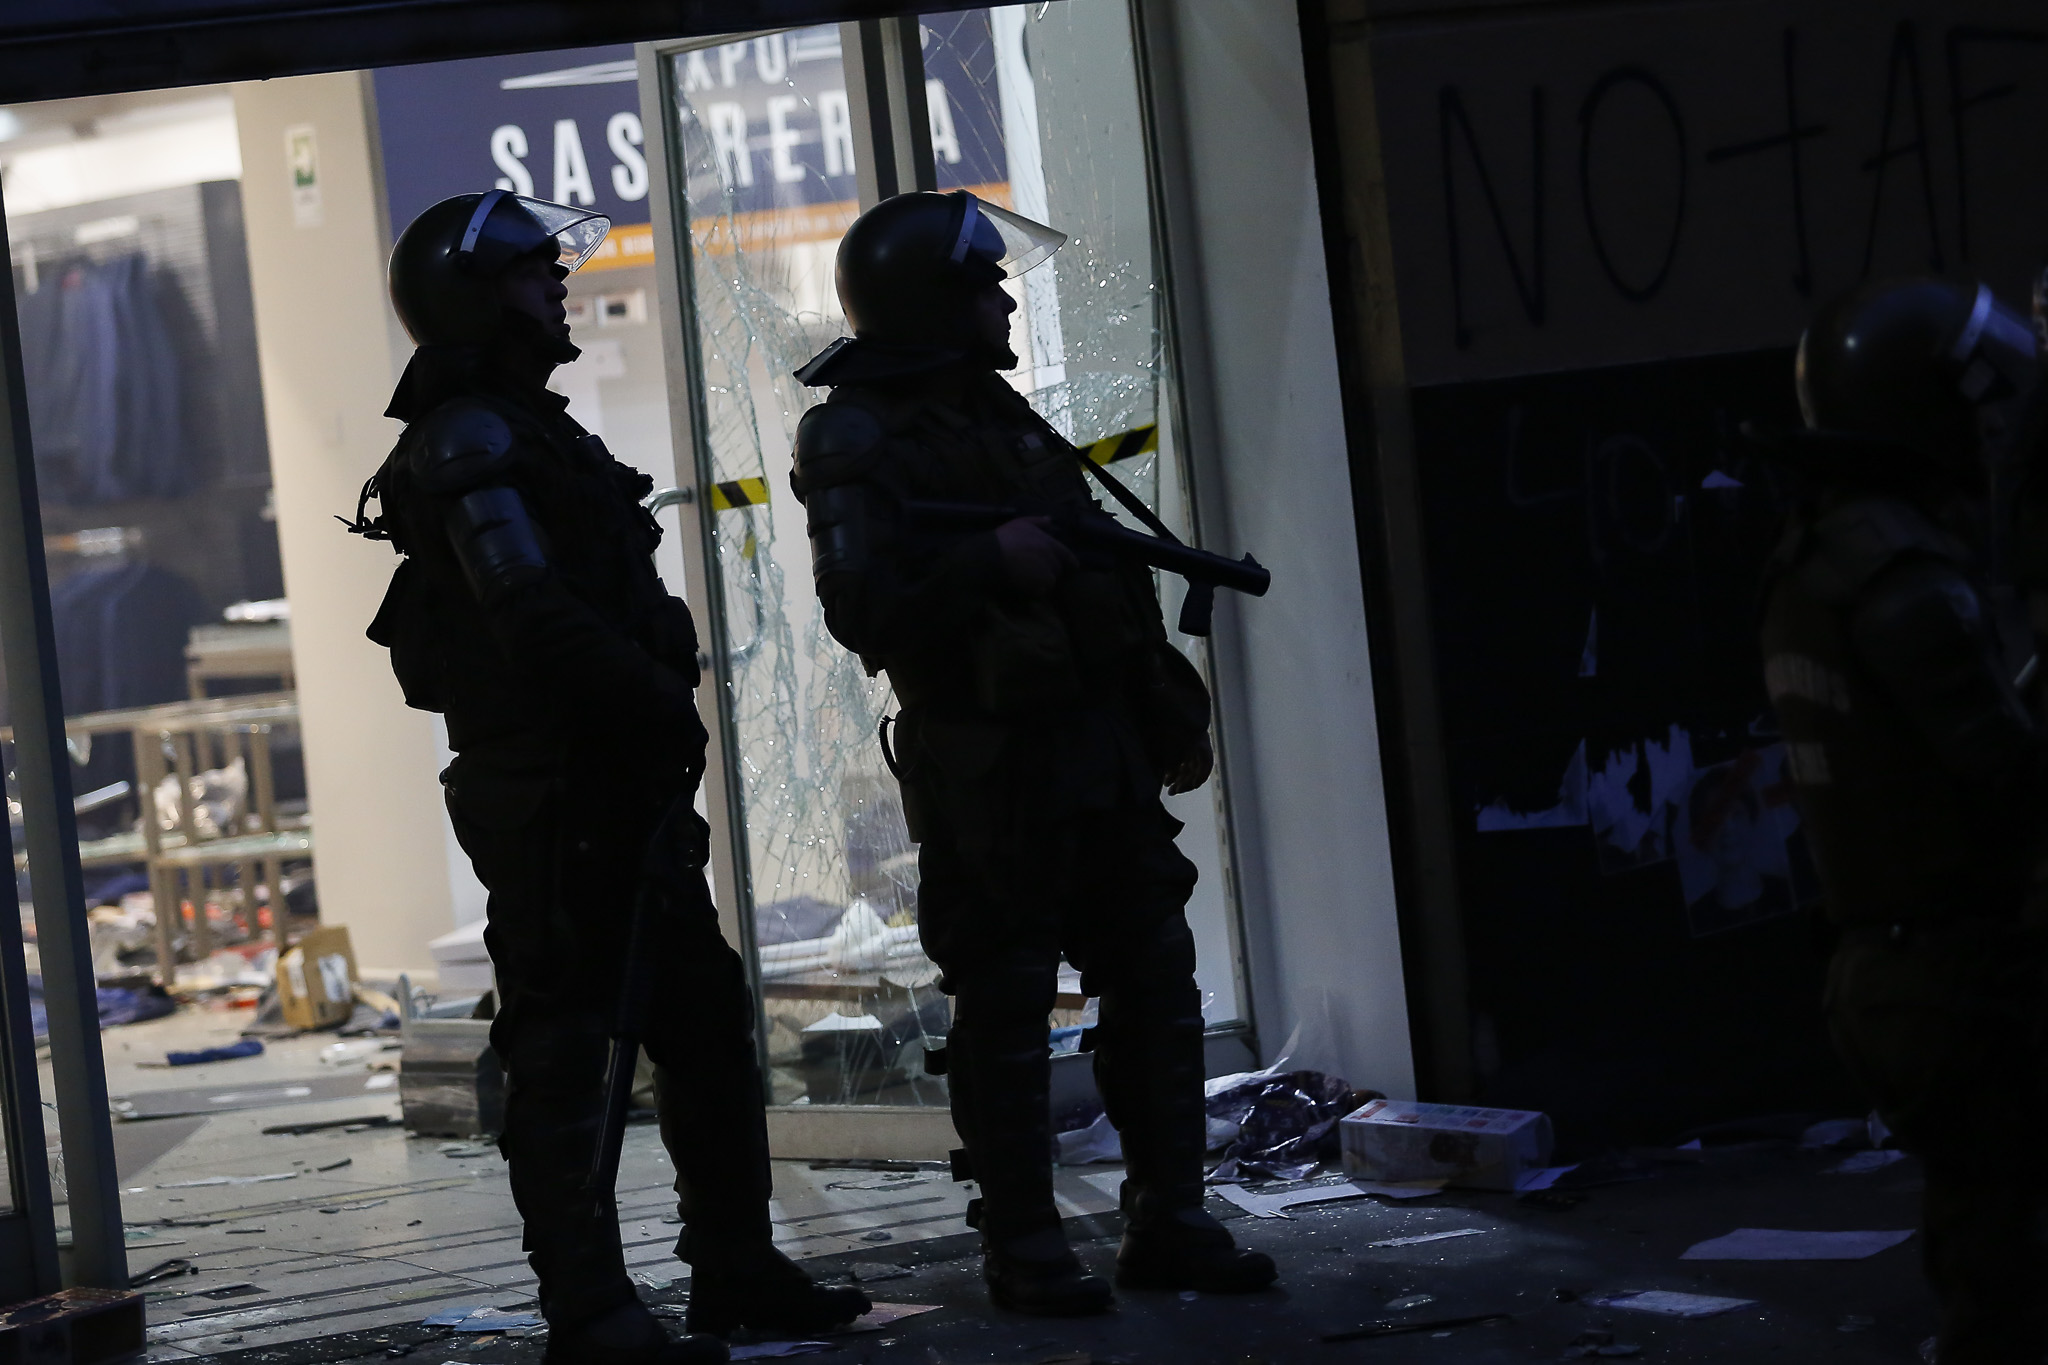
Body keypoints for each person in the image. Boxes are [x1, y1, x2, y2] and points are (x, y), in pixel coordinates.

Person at [352, 190, 869, 1365]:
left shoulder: (531, 429)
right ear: (474, 297)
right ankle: (590, 1312)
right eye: (532, 271)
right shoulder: (467, 440)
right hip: (552, 789)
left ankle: (734, 1266)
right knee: (564, 1049)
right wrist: (647, 694)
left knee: (702, 1022)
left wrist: (650, 703)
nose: (557, 284)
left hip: (615, 783)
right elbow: (528, 613)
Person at [786, 190, 1275, 1316]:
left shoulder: (999, 416)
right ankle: (1024, 1244)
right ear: (930, 303)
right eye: (982, 286)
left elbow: (1095, 571)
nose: (1004, 301)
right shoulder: (855, 434)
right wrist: (984, 565)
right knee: (1007, 1006)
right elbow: (860, 608)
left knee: (1155, 980)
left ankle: (1170, 1218)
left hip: (1094, 749)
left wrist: (1157, 704)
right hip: (988, 769)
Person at [1759, 276, 2048, 1365]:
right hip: (1953, 971)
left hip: (1890, 969)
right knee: (2005, 1263)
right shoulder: (1901, 575)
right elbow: (2007, 778)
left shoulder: (1818, 558)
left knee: (1984, 1235)